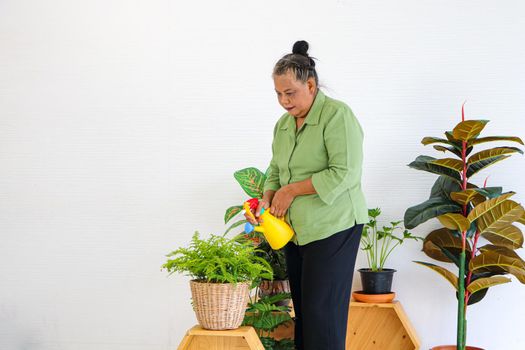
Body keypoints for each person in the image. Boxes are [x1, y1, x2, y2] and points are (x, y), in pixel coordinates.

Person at [245, 40, 368, 350]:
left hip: (335, 225)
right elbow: (275, 168)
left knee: (321, 314)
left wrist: (291, 190)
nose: (284, 101)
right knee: (305, 314)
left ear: (310, 85)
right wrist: (268, 198)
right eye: (278, 94)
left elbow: (345, 172)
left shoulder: (337, 116)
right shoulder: (283, 126)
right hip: (297, 232)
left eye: (290, 93)